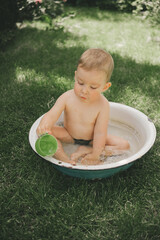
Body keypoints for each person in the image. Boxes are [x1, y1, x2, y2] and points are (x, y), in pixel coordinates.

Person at [36, 48, 130, 165]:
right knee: (44, 132)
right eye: (80, 83)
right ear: (76, 76)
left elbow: (100, 133)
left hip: (92, 140)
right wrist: (44, 125)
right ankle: (62, 157)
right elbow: (51, 115)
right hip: (68, 135)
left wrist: (95, 153)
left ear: (105, 87)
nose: (84, 91)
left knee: (124, 146)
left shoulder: (102, 105)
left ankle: (87, 150)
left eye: (93, 87)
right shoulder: (67, 97)